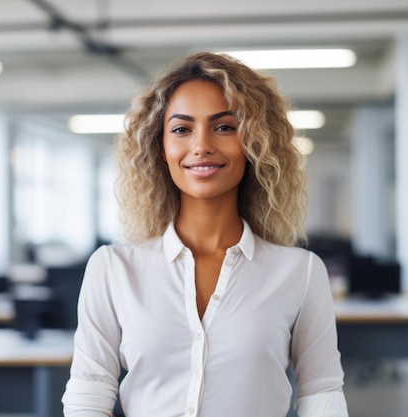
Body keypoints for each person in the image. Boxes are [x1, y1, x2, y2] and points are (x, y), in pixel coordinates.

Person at [62, 52, 348, 417]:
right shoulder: (113, 268)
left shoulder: (301, 272)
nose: (201, 145)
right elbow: (90, 390)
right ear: (160, 147)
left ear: (254, 143)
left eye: (224, 126)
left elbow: (321, 394)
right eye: (182, 129)